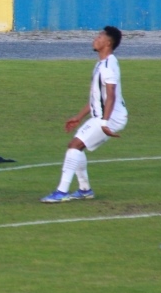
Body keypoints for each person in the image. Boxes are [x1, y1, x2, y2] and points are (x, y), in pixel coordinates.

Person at [41, 26, 127, 203]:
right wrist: (79, 117)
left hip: (110, 118)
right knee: (77, 147)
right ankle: (84, 190)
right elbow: (97, 98)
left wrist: (104, 122)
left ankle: (62, 191)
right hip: (103, 116)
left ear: (108, 43)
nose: (95, 39)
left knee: (75, 146)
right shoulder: (101, 64)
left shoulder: (108, 67)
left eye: (100, 37)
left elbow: (110, 96)